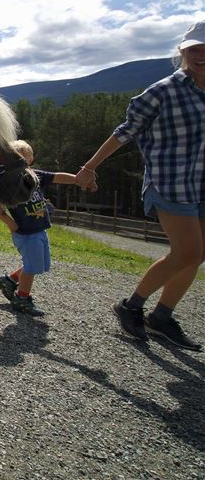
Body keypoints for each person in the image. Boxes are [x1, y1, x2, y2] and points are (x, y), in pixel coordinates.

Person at [77, 21, 204, 351]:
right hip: (170, 182)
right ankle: (131, 306)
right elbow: (124, 132)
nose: (201, 55)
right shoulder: (163, 91)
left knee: (197, 254)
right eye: (195, 49)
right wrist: (90, 167)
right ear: (183, 53)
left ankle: (162, 316)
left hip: (201, 182)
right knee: (188, 250)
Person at [0, 140, 88, 316]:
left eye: (25, 158)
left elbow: (57, 176)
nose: (22, 162)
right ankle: (22, 299)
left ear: (31, 159)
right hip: (25, 232)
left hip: (39, 230)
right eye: (18, 158)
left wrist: (76, 179)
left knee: (39, 264)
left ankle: (10, 280)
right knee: (31, 266)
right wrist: (9, 223)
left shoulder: (36, 176)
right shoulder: (10, 183)